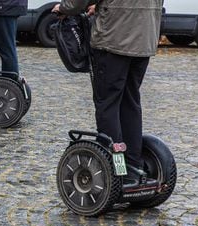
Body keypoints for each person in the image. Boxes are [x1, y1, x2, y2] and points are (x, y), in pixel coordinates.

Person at [53, 0, 163, 186]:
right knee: (130, 102)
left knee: (108, 104)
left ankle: (116, 168)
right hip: (144, 37)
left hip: (114, 39)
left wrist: (64, 8)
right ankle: (133, 166)